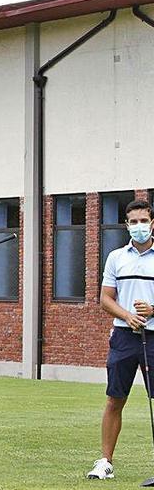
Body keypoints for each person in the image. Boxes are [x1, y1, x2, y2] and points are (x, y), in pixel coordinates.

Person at [87, 199, 154, 480]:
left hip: (153, 337)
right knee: (115, 398)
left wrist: (153, 311)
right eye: (133, 222)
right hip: (125, 336)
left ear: (153, 223)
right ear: (127, 225)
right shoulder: (116, 257)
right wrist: (127, 316)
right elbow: (105, 298)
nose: (139, 226)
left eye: (143, 221)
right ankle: (105, 462)